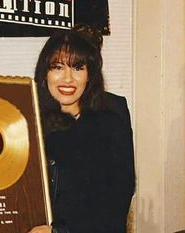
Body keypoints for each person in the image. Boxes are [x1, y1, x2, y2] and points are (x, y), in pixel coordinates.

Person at [29, 25, 135, 233]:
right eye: (58, 67)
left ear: (90, 75)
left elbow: (118, 199)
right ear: (45, 74)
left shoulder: (111, 118)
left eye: (78, 67)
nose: (67, 78)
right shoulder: (29, 119)